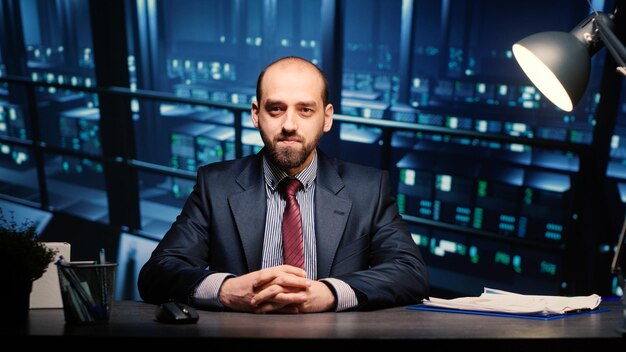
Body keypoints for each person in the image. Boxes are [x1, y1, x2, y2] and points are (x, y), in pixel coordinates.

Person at [138, 56, 428, 313]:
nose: (289, 124)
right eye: (276, 109)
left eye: (305, 110)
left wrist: (329, 293)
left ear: (326, 118)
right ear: (256, 114)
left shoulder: (369, 188)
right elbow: (157, 273)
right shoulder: (216, 186)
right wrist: (227, 291)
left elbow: (409, 272)